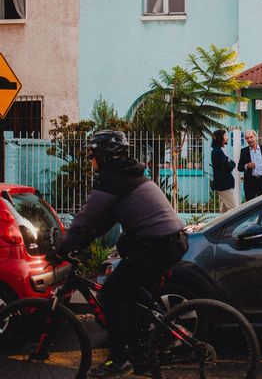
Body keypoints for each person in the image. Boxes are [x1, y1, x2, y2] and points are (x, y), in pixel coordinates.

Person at [49, 130, 188, 377]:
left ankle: (119, 359)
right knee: (131, 295)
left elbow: (86, 219)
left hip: (157, 244)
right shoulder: (126, 177)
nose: (90, 162)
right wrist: (80, 246)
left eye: (92, 156)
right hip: (169, 241)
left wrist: (63, 249)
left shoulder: (112, 181)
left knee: (112, 294)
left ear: (104, 156)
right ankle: (145, 349)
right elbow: (103, 223)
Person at [237, 129, 262, 201]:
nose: (249, 140)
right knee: (250, 205)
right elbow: (239, 167)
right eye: (247, 138)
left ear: (256, 137)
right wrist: (247, 165)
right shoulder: (244, 151)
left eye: (251, 137)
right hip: (250, 182)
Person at [210, 129, 237, 212]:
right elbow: (229, 166)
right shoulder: (217, 152)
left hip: (224, 184)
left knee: (224, 210)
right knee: (233, 209)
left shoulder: (221, 151)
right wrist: (229, 163)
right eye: (225, 136)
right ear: (220, 138)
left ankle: (223, 225)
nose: (227, 138)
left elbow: (232, 164)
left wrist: (229, 163)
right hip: (224, 184)